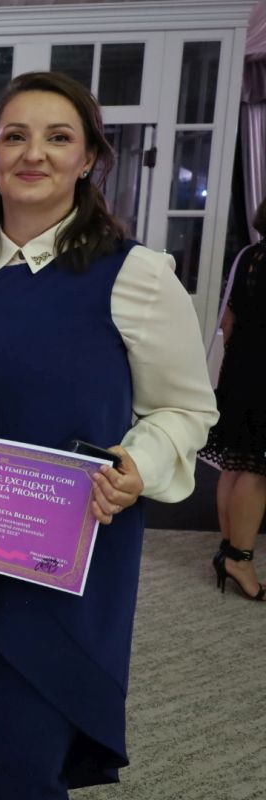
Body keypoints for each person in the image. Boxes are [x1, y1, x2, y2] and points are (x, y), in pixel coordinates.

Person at [0, 71, 218, 798]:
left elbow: (186, 410)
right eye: (16, 136)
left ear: (88, 158)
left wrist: (136, 463)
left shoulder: (135, 276)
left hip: (63, 563)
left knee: (20, 757)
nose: (34, 153)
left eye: (58, 137)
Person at [200, 196, 266, 600]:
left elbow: (228, 319)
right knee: (256, 470)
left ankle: (230, 550)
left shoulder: (248, 256)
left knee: (235, 463)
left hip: (240, 368)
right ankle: (239, 559)